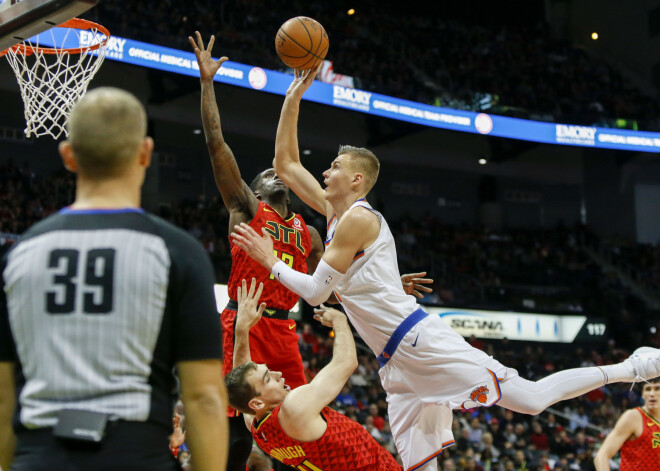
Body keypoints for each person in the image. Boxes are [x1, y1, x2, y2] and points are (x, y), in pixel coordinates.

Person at [230, 67, 660, 471]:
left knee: (529, 400)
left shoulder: (359, 218)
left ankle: (631, 368)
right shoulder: (336, 216)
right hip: (394, 363)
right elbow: (286, 164)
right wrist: (292, 96)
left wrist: (271, 261)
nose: (325, 171)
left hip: (419, 343)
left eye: (335, 167)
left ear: (358, 180)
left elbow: (316, 293)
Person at [188, 31, 433, 471]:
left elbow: (334, 285)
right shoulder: (246, 208)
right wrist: (207, 83)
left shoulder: (309, 234)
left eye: (275, 173)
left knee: (297, 430)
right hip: (244, 321)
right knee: (237, 424)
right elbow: (216, 146)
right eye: (266, 174)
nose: (274, 176)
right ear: (258, 188)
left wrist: (389, 284)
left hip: (284, 333)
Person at [0, 88, 228, 471]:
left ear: (68, 156)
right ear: (146, 152)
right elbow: (204, 395)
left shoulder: (19, 255)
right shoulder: (178, 252)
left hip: (38, 456)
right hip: (135, 454)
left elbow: (5, 395)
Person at [225, 278, 402, 471]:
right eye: (268, 378)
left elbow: (241, 384)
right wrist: (340, 321)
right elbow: (346, 362)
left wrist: (241, 329)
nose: (277, 374)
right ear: (258, 402)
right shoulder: (293, 408)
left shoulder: (257, 426)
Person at [594, 378, 660, 470]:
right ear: (643, 394)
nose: (652, 394)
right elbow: (602, 455)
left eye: (657, 389)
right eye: (648, 389)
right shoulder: (633, 417)